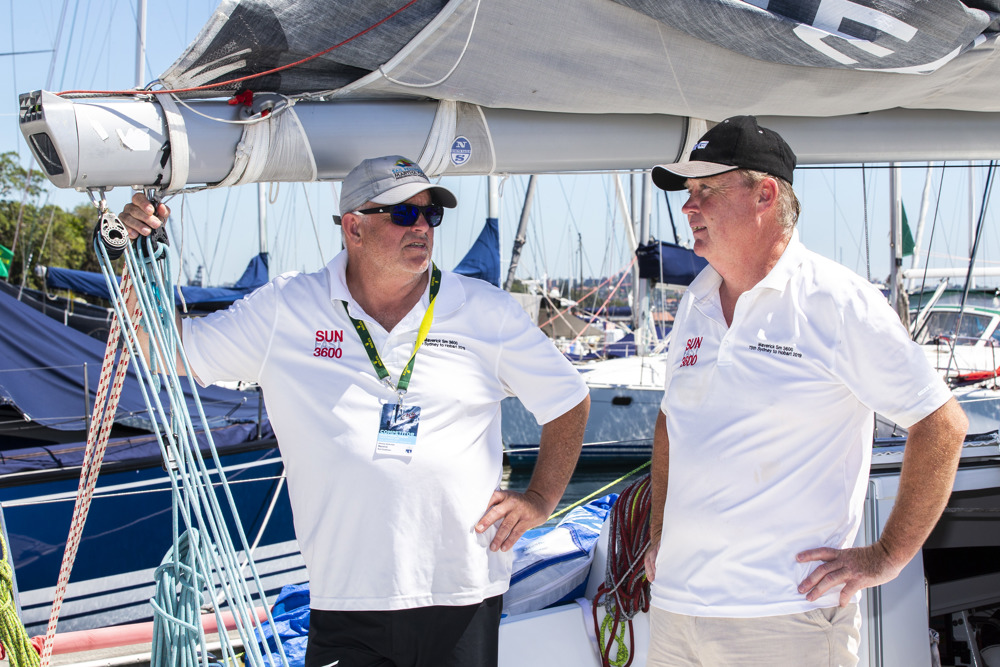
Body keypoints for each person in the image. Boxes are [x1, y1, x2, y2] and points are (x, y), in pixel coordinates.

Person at [118, 155, 590, 667]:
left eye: (430, 215)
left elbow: (567, 400)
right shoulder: (287, 308)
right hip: (345, 600)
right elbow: (165, 349)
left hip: (463, 593)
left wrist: (541, 498)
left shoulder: (485, 310)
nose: (422, 228)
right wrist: (129, 256)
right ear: (354, 228)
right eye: (403, 215)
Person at [641, 116, 968, 666]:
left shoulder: (836, 302)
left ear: (764, 194)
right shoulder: (695, 303)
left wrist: (886, 556)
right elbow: (672, 424)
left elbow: (941, 423)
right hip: (676, 612)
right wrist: (659, 536)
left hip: (785, 618)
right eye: (688, 193)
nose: (688, 208)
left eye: (706, 190)